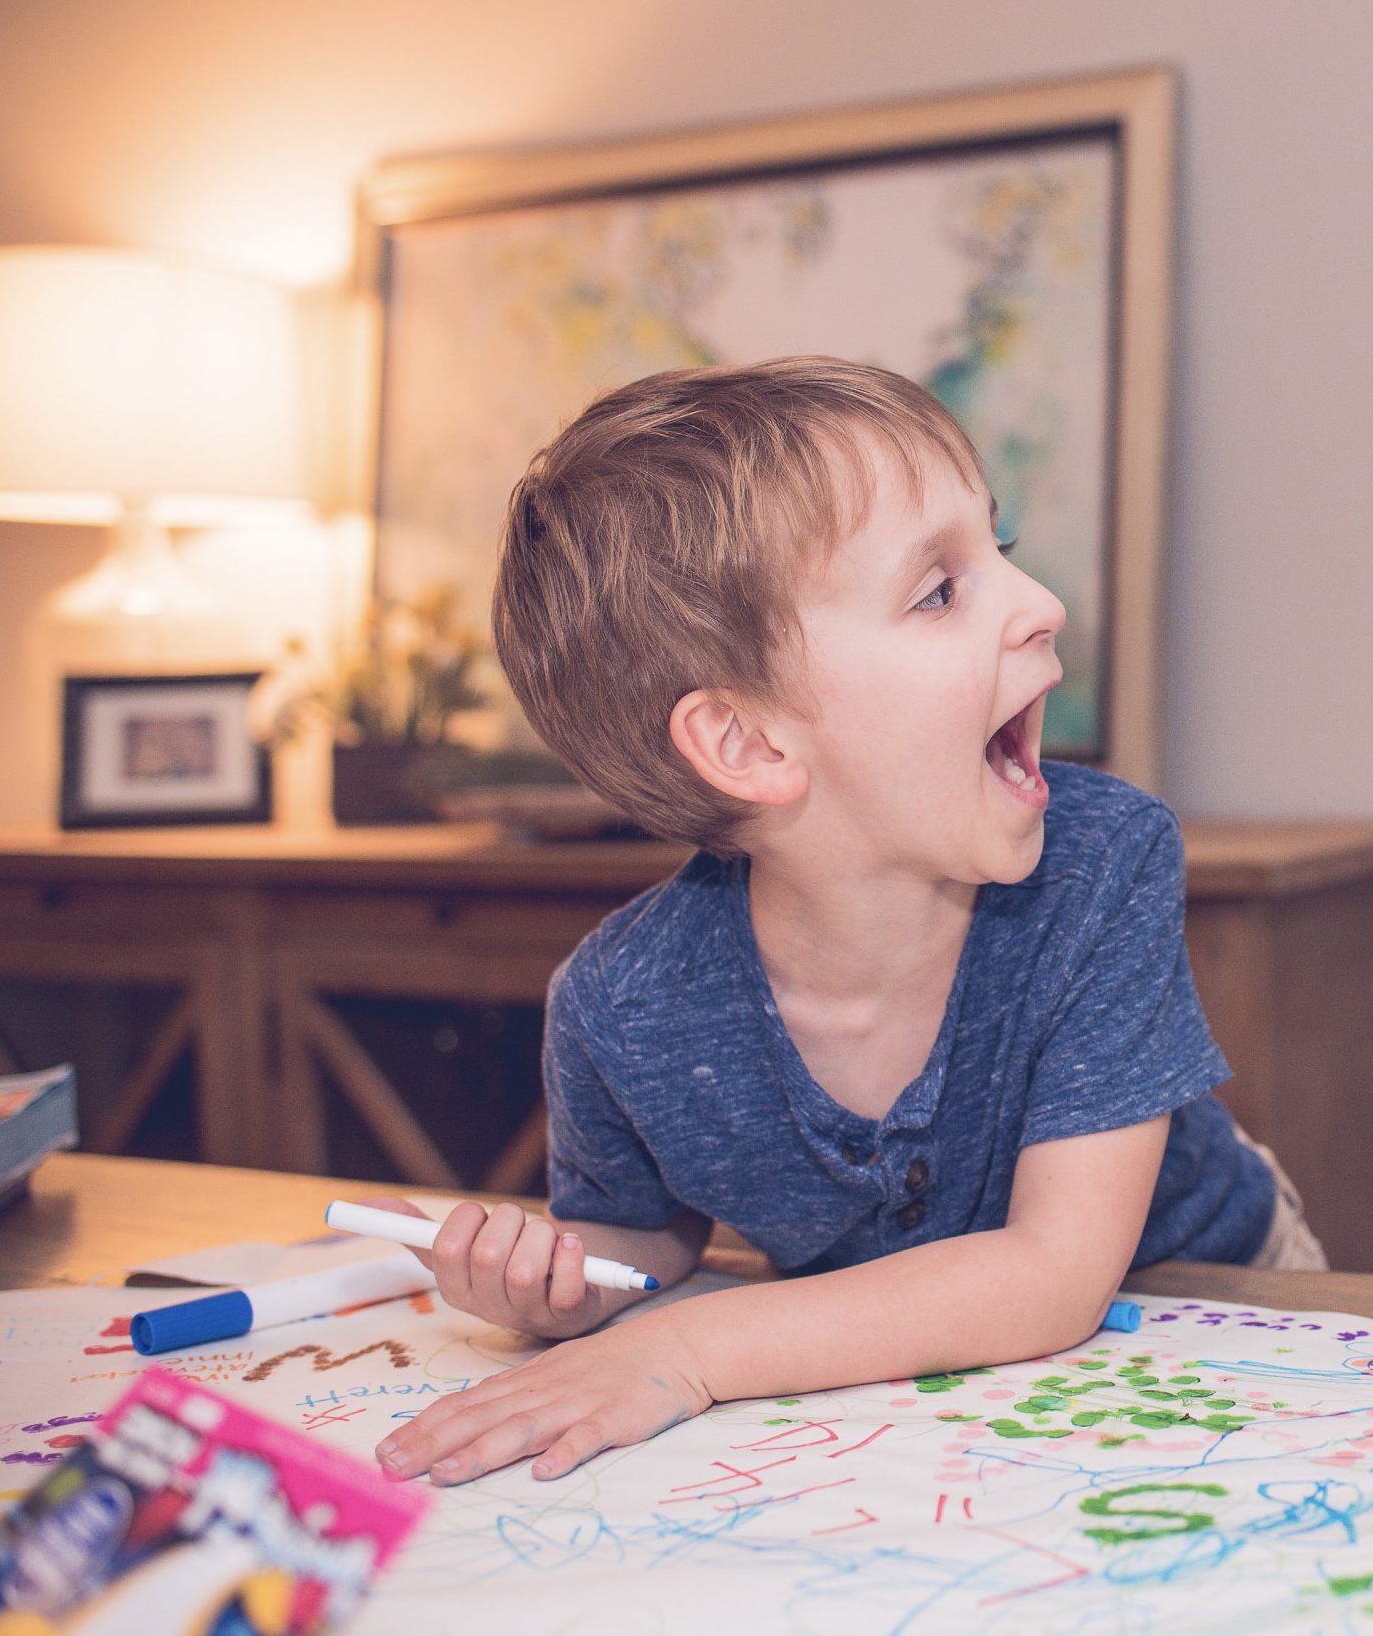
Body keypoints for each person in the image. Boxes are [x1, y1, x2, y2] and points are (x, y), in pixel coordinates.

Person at [368, 357, 1322, 1488]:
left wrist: (684, 1350)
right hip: (920, 1406)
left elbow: (1054, 1274)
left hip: (1223, 1306)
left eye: (997, 549)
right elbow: (648, 1237)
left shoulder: (1105, 863)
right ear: (750, 745)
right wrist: (559, 1284)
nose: (1042, 604)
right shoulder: (620, 1005)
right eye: (940, 589)